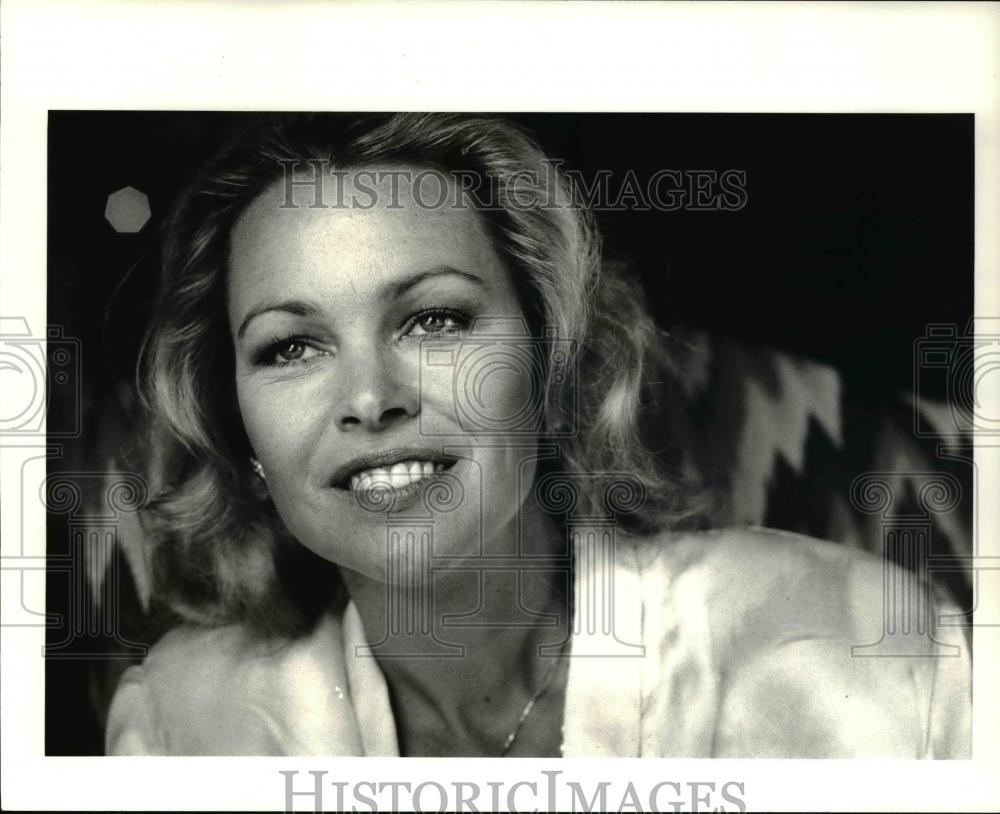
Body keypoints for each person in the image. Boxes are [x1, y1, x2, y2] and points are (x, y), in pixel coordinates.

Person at [105, 112, 971, 757]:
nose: (369, 399)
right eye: (291, 347)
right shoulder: (181, 722)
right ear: (240, 434)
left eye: (434, 320)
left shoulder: (862, 650)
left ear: (551, 361)